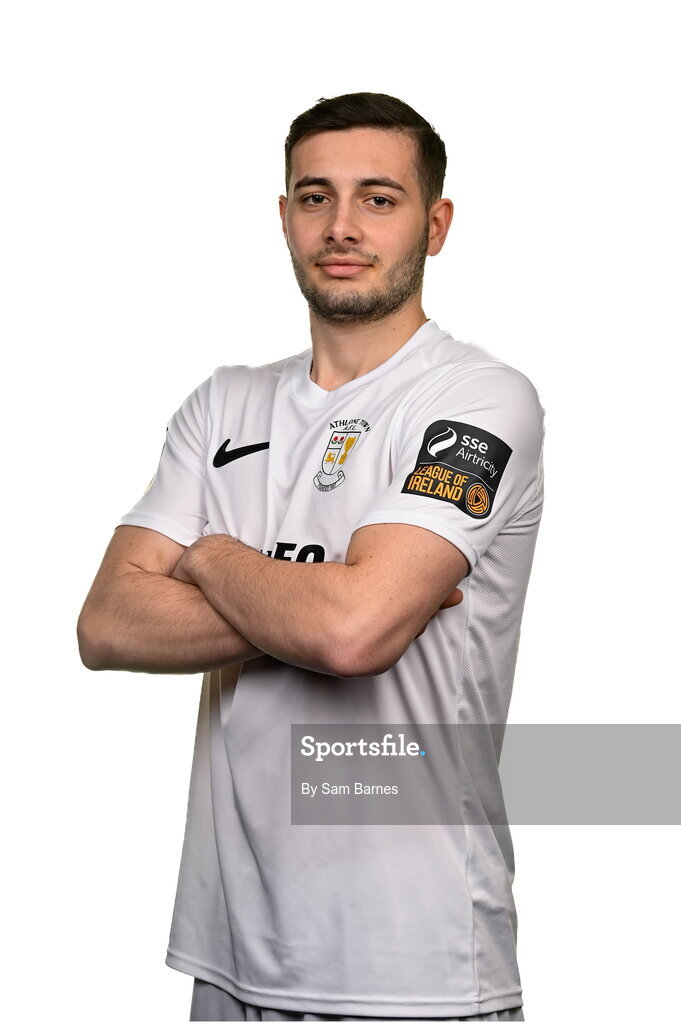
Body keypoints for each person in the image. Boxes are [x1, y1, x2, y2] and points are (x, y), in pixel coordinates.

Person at [77, 92, 544, 1023]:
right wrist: (325, 594)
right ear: (283, 216)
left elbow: (351, 635)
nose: (341, 226)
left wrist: (207, 557)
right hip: (231, 958)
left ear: (434, 223)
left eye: (378, 198)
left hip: (415, 968)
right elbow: (105, 624)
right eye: (312, 196)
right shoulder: (223, 403)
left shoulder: (479, 400)